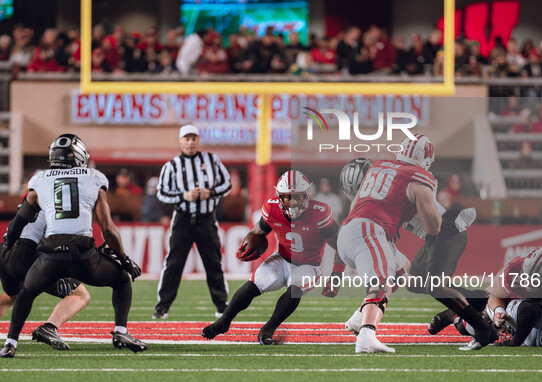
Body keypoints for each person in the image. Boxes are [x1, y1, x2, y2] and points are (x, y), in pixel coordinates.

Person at [0, 134, 145, 358]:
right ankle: (120, 331)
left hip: (44, 253)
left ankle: (10, 343)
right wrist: (124, 259)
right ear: (78, 156)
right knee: (121, 279)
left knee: (25, 292)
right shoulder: (94, 177)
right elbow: (106, 226)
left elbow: (19, 221)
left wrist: (7, 245)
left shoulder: (40, 179)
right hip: (81, 251)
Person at [337, 154, 492, 351]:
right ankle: (474, 299)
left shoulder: (396, 182)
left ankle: (480, 326)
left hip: (447, 233)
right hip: (417, 234)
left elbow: (434, 227)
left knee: (428, 284)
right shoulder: (385, 187)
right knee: (412, 280)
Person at [202, 170, 342, 345]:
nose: (293, 202)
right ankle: (223, 322)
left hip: (308, 265)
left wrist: (336, 275)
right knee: (253, 285)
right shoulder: (272, 207)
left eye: (297, 196)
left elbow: (340, 246)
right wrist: (247, 243)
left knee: (295, 289)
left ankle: (268, 328)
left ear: (307, 195)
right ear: (279, 197)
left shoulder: (320, 212)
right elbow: (256, 232)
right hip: (282, 258)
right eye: (287, 197)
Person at [153, 124, 231, 319]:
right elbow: (161, 193)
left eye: (193, 138)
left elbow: (227, 184)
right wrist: (183, 196)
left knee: (214, 263)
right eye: (186, 139)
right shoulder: (171, 166)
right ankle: (162, 306)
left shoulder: (212, 160)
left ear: (198, 140)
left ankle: (222, 305)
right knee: (173, 264)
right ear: (180, 142)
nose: (190, 142)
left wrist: (211, 193)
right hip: (183, 219)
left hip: (207, 219)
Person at [456, 247, 542, 348]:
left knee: (528, 308)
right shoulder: (511, 273)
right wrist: (498, 311)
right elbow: (493, 296)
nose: (530, 284)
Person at [0, 209, 91, 351]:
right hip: (28, 255)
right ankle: (49, 328)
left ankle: (12, 340)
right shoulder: (61, 205)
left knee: (13, 296)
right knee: (80, 294)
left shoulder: (36, 197)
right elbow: (54, 243)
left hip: (5, 254)